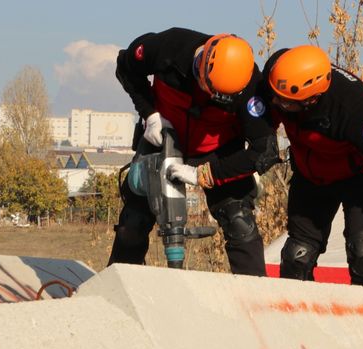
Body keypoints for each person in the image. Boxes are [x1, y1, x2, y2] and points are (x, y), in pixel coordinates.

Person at [109, 27, 279, 276]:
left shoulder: (252, 87)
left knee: (240, 222)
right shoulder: (168, 47)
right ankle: (116, 289)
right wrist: (149, 113)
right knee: (132, 225)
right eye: (206, 88)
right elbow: (125, 67)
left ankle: (256, 300)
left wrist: (207, 173)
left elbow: (264, 151)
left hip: (217, 150)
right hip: (163, 137)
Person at [261, 45, 363, 288]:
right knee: (296, 256)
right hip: (312, 174)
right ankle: (296, 320)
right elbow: (261, 114)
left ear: (312, 99)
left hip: (360, 174)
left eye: (286, 102)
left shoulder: (357, 111)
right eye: (275, 96)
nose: (276, 103)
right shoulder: (278, 76)